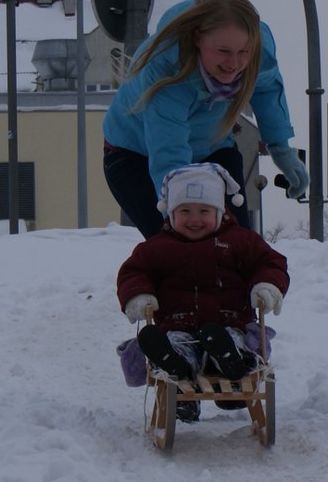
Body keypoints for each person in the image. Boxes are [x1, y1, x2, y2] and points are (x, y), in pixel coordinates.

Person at [103, 0, 309, 238]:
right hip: (137, 155)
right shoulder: (167, 67)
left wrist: (280, 148)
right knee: (175, 244)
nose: (234, 63)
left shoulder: (259, 50)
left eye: (243, 52)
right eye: (223, 51)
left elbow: (266, 88)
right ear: (198, 39)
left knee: (236, 242)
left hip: (212, 148)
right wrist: (179, 213)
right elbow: (168, 148)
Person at [116, 163, 289, 422]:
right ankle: (176, 365)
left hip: (230, 323)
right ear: (171, 213)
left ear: (219, 212)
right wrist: (138, 294)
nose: (194, 219)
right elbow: (134, 272)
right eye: (185, 211)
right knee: (176, 344)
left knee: (229, 338)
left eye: (204, 211)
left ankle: (230, 360)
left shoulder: (240, 241)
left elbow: (270, 263)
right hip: (177, 327)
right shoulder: (156, 248)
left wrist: (267, 285)